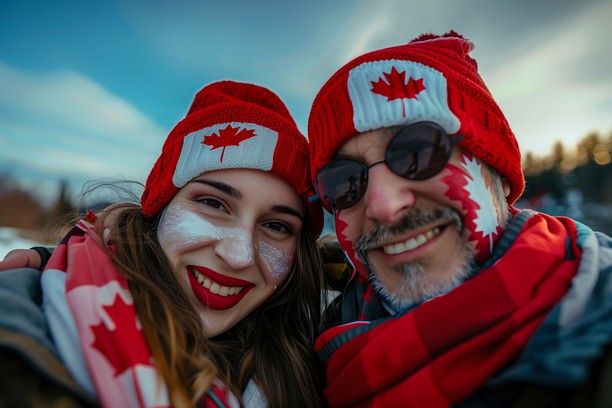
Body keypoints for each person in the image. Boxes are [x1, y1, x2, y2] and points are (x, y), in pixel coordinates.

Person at [308, 31, 612, 407]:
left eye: (418, 151)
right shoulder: (312, 349)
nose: (383, 205)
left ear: (498, 176)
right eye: (344, 180)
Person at [0, 80, 327, 407]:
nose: (238, 255)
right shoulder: (22, 329)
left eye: (276, 226)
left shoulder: (314, 361)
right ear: (158, 212)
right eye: (213, 204)